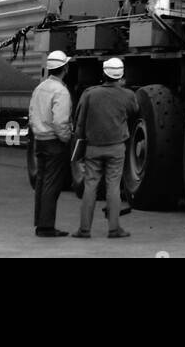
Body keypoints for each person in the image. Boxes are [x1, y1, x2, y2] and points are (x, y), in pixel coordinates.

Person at [72, 57, 138, 239]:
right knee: (113, 187)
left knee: (90, 186)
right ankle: (114, 229)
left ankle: (84, 230)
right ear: (122, 75)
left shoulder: (89, 94)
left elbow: (80, 124)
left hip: (93, 148)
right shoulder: (128, 95)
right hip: (116, 148)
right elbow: (134, 111)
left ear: (103, 73)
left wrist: (78, 150)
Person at [29, 50, 73, 237]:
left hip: (39, 140)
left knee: (41, 183)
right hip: (54, 142)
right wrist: (66, 138)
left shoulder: (40, 88)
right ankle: (47, 227)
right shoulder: (61, 91)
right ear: (66, 68)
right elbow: (60, 121)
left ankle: (40, 223)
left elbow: (31, 114)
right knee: (51, 185)